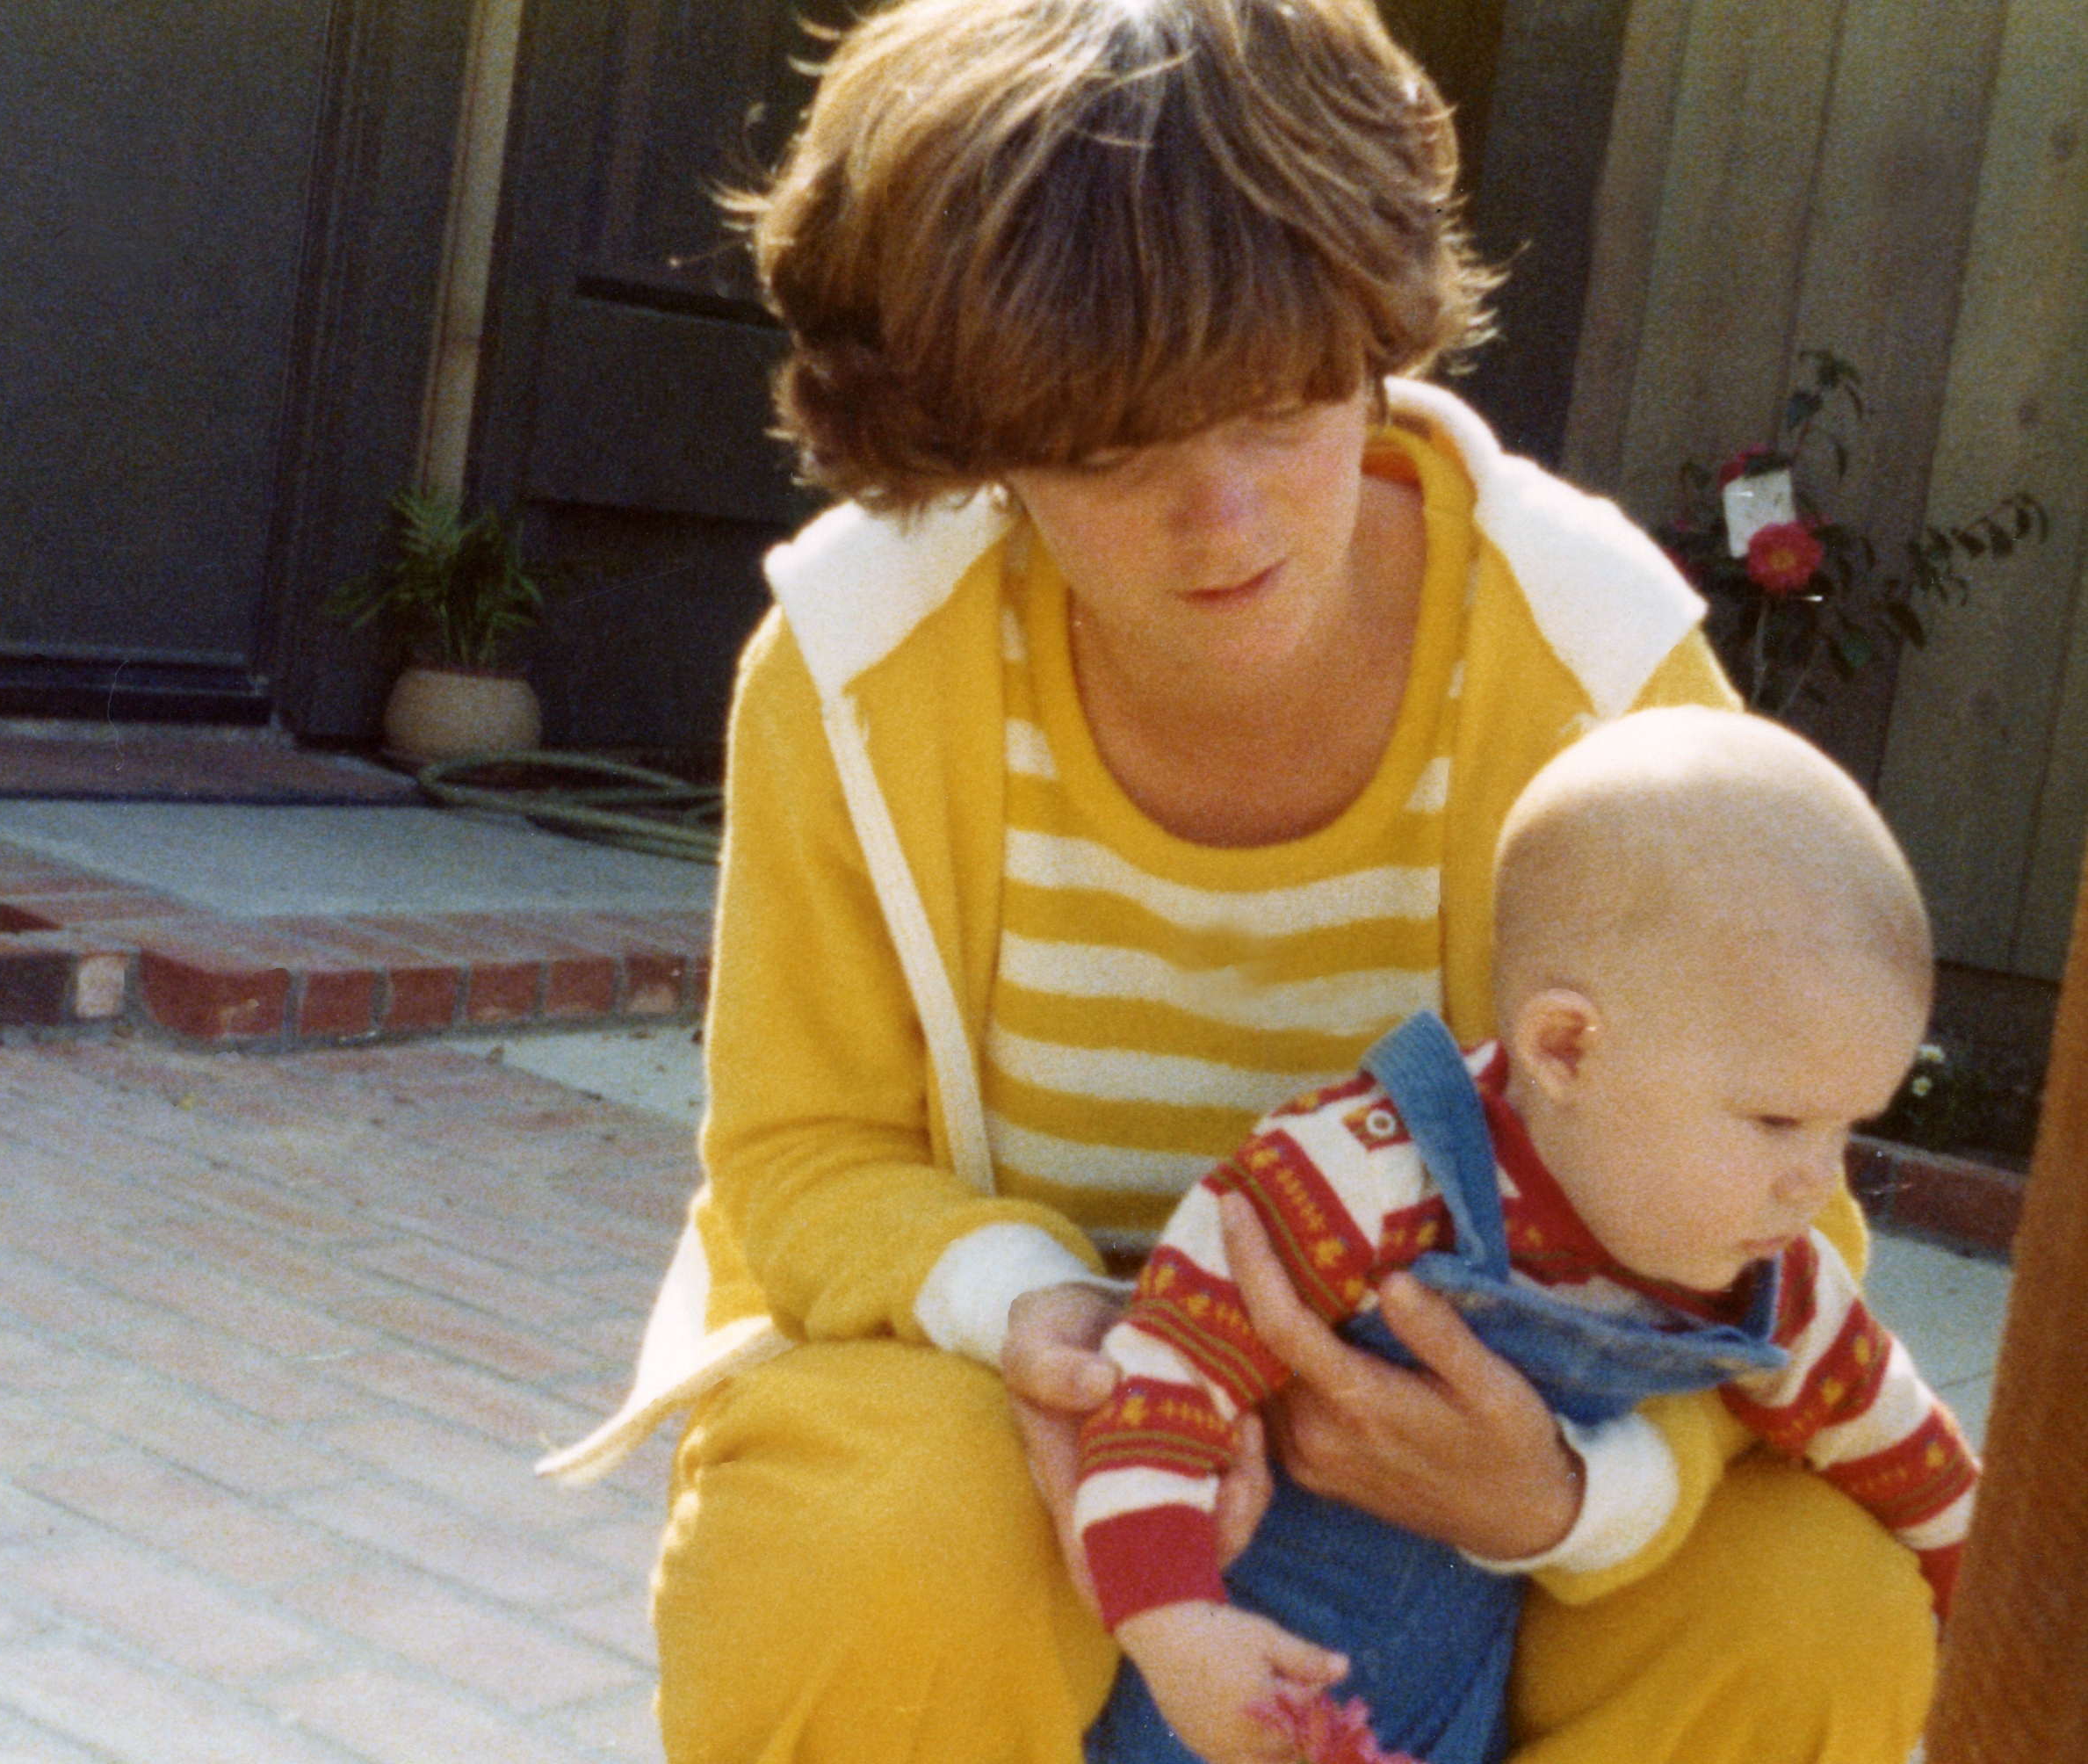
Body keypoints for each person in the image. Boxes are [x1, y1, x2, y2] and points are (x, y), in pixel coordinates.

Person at [536, 0, 1940, 1758]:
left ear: (1369, 334)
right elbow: (799, 1148)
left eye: (1276, 411)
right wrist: (1034, 1316)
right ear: (968, 426)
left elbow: (1775, 1207)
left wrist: (1563, 1493)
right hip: (1008, 1420)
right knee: (860, 1535)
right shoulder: (850, 663)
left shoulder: (1593, 667)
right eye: (1107, 448)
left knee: (1810, 1606)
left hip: (1493, 1455)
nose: (1223, 518)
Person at [1078, 708, 1977, 1764]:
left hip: (1451, 1712)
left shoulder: (1765, 1276)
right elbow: (1164, 1371)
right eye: (1777, 1121)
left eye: (1845, 1127)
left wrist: (2000, 1613)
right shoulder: (1367, 1173)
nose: (1815, 1180)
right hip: (1235, 1682)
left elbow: (1903, 1449)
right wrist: (1172, 1621)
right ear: (1564, 1049)